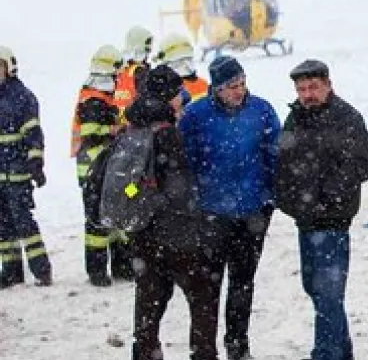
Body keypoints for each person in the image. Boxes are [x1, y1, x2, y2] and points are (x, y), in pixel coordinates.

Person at [112, 65, 226, 360]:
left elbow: (130, 186)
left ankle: (145, 351)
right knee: (203, 297)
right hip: (177, 236)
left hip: (143, 233)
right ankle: (203, 354)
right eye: (178, 93)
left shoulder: (131, 129)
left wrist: (141, 199)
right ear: (167, 96)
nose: (182, 98)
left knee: (149, 300)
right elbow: (178, 188)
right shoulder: (167, 134)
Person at [179, 55, 281, 360]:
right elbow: (185, 163)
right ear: (216, 88)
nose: (239, 91)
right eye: (232, 86)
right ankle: (204, 350)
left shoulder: (261, 111)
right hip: (211, 215)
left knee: (242, 283)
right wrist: (193, 204)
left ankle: (238, 346)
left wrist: (270, 200)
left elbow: (275, 156)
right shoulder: (195, 116)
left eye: (242, 83)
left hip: (253, 212)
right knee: (208, 287)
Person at [275, 60, 368, 360]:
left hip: (333, 221)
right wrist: (289, 200)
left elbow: (360, 165)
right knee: (317, 291)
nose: (307, 94)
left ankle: (325, 354)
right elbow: (284, 165)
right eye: (302, 89)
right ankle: (341, 352)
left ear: (328, 85)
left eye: (313, 87)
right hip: (304, 221)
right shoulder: (294, 119)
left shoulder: (347, 119)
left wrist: (324, 197)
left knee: (328, 294)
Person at [72, 44, 133, 286]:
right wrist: (114, 129)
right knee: (97, 223)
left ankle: (123, 266)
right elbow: (90, 134)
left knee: (117, 218)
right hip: (93, 173)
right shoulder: (93, 100)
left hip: (109, 171)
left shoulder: (104, 98)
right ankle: (97, 271)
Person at [0, 45, 52, 288]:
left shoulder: (22, 97)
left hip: (18, 173)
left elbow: (33, 134)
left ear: (9, 67)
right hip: (1, 175)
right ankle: (11, 272)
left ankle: (41, 270)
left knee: (24, 222)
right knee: (3, 226)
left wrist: (35, 162)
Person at [155, 33, 209, 105]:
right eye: (178, 62)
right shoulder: (160, 88)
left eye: (189, 59)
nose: (186, 65)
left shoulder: (202, 84)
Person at [115, 26, 154, 119]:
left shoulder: (118, 72)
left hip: (117, 127)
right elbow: (149, 104)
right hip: (136, 127)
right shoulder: (142, 73)